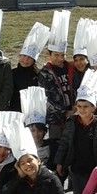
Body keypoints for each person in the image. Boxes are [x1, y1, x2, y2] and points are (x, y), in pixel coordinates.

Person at [53, 70, 97, 194]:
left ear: (93, 108)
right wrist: (60, 161)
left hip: (94, 165)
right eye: (79, 106)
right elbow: (64, 142)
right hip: (76, 165)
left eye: (86, 107)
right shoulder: (72, 122)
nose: (81, 109)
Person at [38, 10, 73, 163]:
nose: (60, 58)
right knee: (57, 148)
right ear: (49, 54)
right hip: (56, 119)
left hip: (73, 114)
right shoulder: (45, 73)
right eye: (56, 55)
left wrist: (74, 110)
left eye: (62, 55)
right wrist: (64, 112)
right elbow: (46, 99)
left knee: (71, 147)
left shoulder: (70, 68)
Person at [10, 22, 49, 112]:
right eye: (24, 56)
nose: (25, 60)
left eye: (29, 58)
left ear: (34, 60)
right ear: (19, 56)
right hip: (15, 111)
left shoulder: (38, 75)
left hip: (34, 111)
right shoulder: (12, 73)